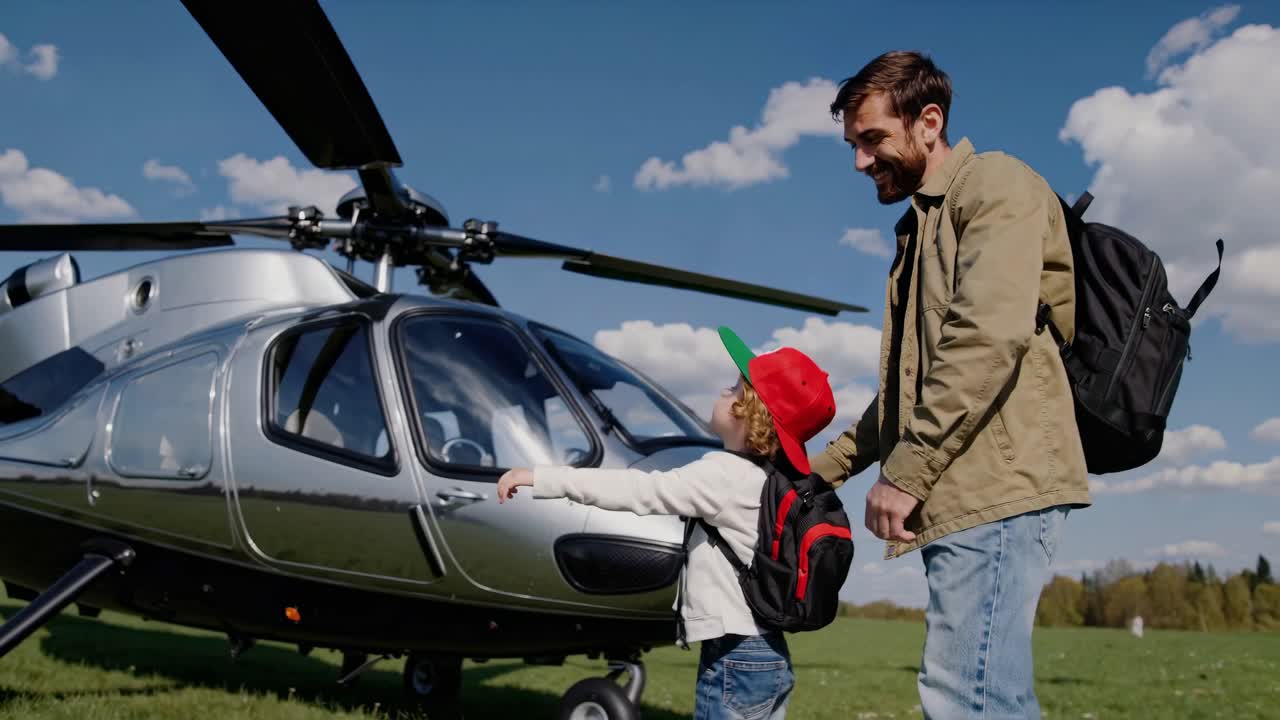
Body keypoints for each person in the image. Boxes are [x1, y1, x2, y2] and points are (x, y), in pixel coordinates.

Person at [809, 51, 1091, 719]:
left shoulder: (995, 186)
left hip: (994, 483)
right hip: (965, 485)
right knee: (985, 694)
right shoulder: (922, 226)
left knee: (969, 698)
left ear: (928, 121)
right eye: (853, 144)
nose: (859, 161)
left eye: (872, 138)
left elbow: (987, 339)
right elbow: (913, 387)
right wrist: (821, 471)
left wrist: (903, 475)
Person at [498, 325, 837, 720]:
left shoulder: (723, 475)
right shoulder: (767, 480)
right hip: (768, 655)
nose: (724, 392)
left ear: (749, 413)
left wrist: (543, 478)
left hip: (734, 654)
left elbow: (638, 490)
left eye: (734, 389)